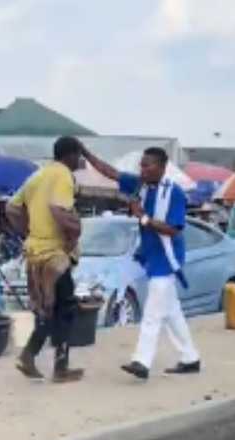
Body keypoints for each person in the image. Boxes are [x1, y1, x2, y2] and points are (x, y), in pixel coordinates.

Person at [83, 146, 201, 381]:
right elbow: (110, 172)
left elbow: (173, 230)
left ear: (162, 167)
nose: (143, 169)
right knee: (171, 313)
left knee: (152, 313)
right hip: (150, 257)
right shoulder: (140, 185)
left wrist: (142, 217)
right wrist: (85, 153)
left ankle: (142, 361)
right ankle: (190, 358)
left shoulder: (174, 193)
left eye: (148, 165)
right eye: (142, 165)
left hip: (166, 260)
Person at [6, 136, 85, 383]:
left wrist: (27, 231)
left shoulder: (37, 175)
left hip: (34, 252)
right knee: (66, 307)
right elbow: (58, 210)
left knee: (47, 308)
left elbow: (11, 208)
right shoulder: (62, 175)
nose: (80, 160)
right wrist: (73, 233)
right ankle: (57, 367)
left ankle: (30, 356)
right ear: (70, 154)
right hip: (54, 256)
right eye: (79, 155)